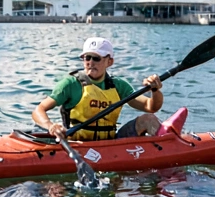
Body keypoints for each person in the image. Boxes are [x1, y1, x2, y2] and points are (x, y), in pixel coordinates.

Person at [32, 37, 163, 141]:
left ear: (109, 62)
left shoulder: (119, 86)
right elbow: (39, 110)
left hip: (109, 142)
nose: (90, 62)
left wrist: (155, 91)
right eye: (87, 58)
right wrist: (51, 126)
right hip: (76, 143)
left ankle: (168, 150)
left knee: (148, 119)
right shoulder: (70, 84)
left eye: (96, 58)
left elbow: (151, 107)